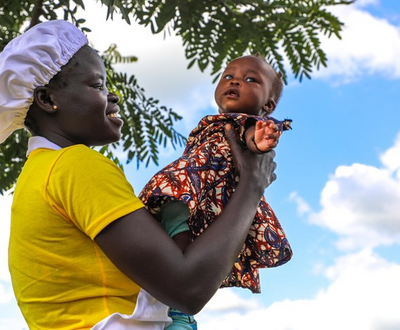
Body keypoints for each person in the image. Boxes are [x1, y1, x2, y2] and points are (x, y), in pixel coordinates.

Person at [0, 20, 279, 329]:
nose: (113, 96)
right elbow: (187, 288)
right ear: (47, 100)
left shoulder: (39, 172)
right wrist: (252, 184)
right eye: (97, 85)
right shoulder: (73, 165)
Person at [139, 55, 293, 328]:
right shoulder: (215, 122)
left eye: (250, 79)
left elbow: (251, 140)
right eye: (228, 75)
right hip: (192, 194)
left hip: (205, 198)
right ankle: (175, 308)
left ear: (267, 105)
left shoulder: (246, 123)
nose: (235, 81)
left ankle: (178, 307)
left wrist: (260, 142)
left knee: (179, 253)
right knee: (166, 238)